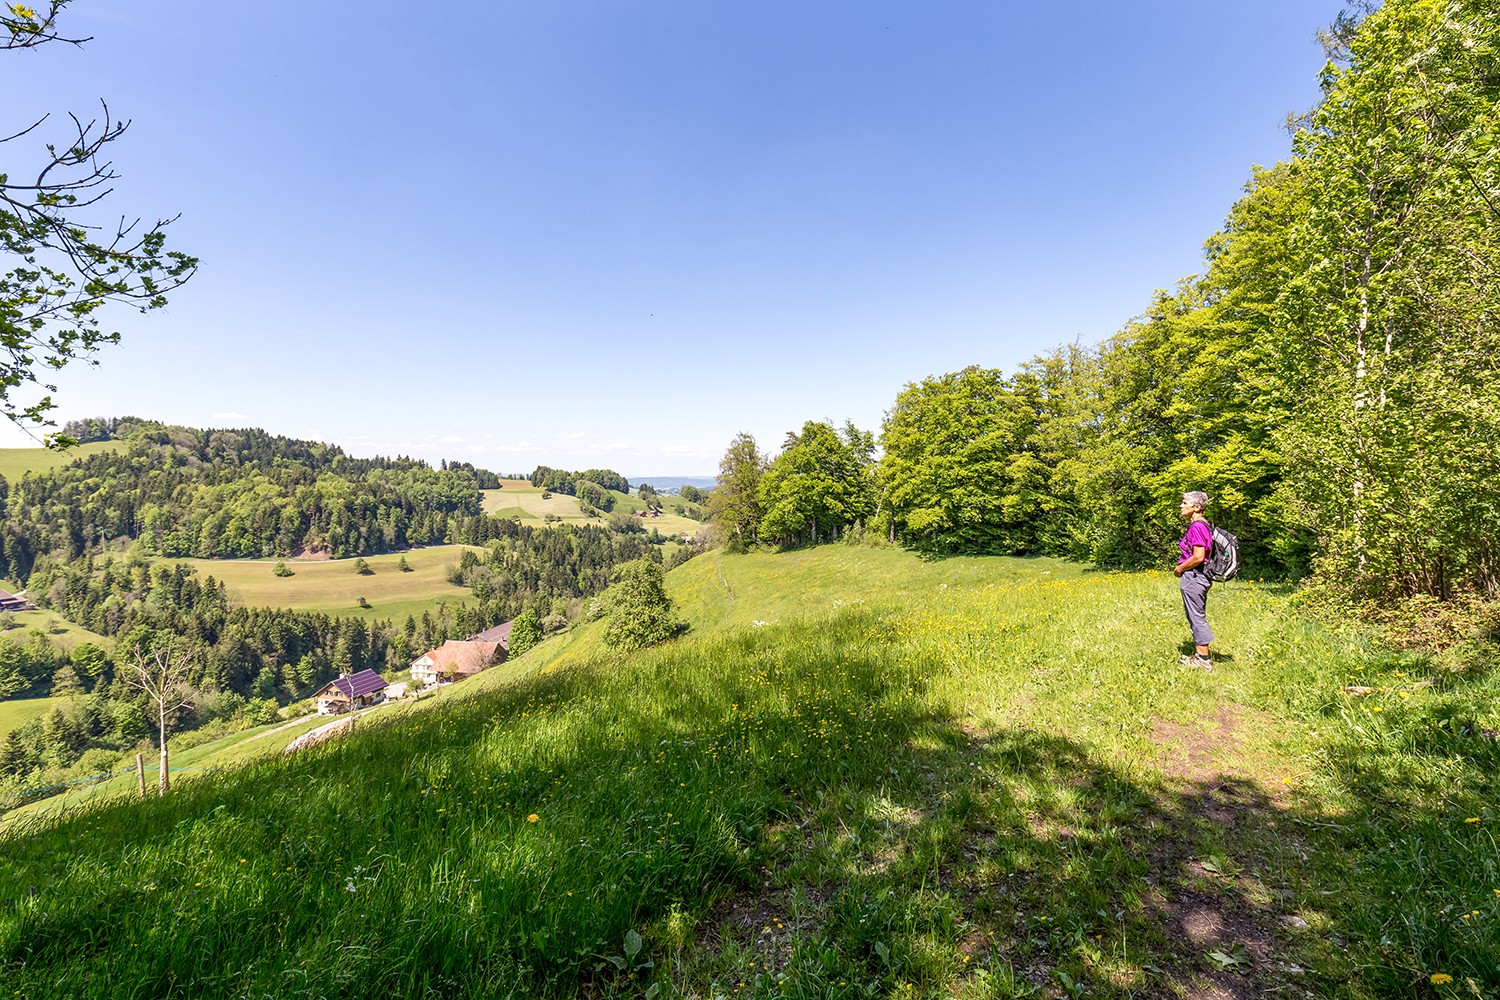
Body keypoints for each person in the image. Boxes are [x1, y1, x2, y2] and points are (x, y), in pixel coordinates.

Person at [1174, 491, 1214, 670]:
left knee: (1196, 617)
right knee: (1196, 615)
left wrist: (1180, 569)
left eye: (1184, 503)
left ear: (1197, 507)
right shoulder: (1204, 525)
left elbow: (1198, 556)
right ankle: (1200, 655)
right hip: (1199, 577)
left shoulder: (1197, 526)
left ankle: (1203, 660)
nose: (1181, 506)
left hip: (1194, 576)